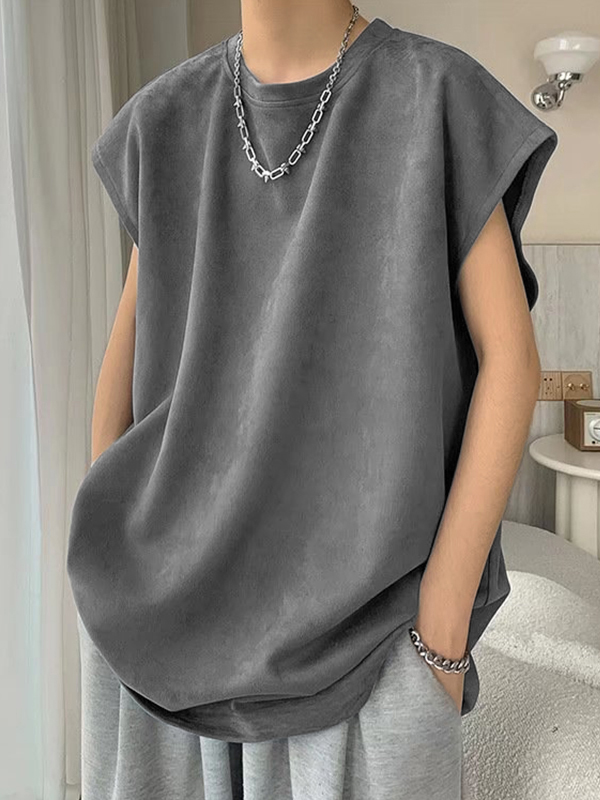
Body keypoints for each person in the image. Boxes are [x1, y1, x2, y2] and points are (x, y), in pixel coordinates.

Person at [68, 2, 558, 798]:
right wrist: (122, 563)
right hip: (157, 643)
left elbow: (513, 361)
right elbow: (119, 382)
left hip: (366, 651)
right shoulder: (162, 120)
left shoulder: (435, 97)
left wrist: (442, 624)